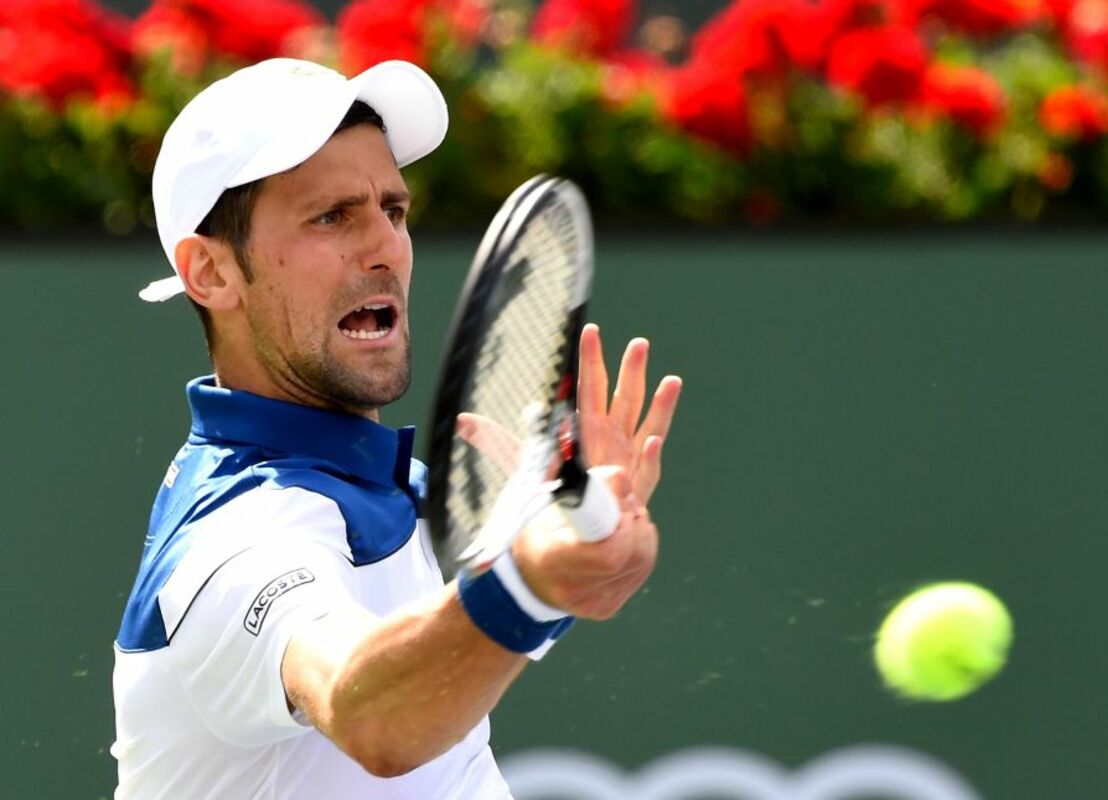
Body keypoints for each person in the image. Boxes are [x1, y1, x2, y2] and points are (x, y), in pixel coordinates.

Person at [111, 58, 682, 799]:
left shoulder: (385, 487)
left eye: (394, 210)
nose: (384, 246)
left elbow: (438, 676)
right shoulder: (240, 535)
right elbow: (370, 714)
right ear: (212, 273)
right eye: (332, 216)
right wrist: (525, 579)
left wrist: (567, 567)